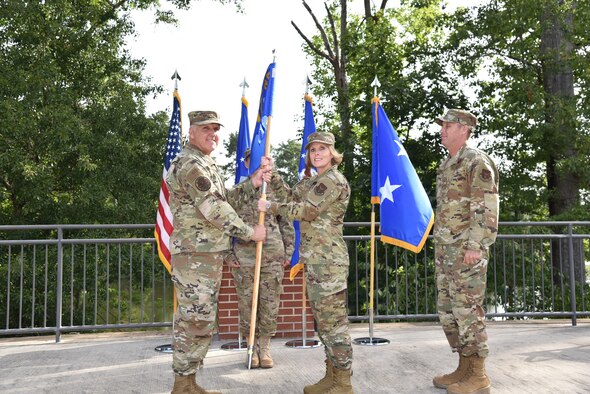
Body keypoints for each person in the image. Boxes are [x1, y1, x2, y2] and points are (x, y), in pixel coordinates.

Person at [166, 110, 269, 394]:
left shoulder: (205, 162)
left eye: (216, 129)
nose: (213, 134)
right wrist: (250, 232)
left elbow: (223, 198)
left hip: (207, 255)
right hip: (195, 256)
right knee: (194, 318)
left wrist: (253, 183)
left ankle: (188, 383)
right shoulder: (190, 164)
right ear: (191, 132)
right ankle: (182, 384)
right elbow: (214, 208)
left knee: (201, 318)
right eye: (206, 129)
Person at [258, 131, 353, 394]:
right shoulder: (313, 182)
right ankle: (332, 375)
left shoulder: (332, 181)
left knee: (334, 325)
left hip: (329, 263)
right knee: (323, 324)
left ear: (332, 153)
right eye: (313, 150)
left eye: (322, 149)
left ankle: (343, 382)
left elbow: (307, 210)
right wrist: (273, 175)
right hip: (317, 262)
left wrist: (271, 207)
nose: (317, 153)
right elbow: (291, 197)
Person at [432, 109, 499, 394]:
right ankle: (463, 366)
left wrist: (475, 246)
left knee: (468, 311)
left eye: (447, 125)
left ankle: (478, 374)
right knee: (449, 311)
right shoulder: (448, 164)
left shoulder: (476, 161)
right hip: (446, 251)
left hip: (466, 251)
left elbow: (486, 207)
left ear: (464, 129)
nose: (442, 130)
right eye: (443, 126)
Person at [227, 148, 295, 369]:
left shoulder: (275, 188)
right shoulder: (239, 191)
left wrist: (288, 251)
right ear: (247, 164)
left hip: (272, 255)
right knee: (247, 304)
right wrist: (228, 254)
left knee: (269, 303)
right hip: (245, 256)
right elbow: (224, 223)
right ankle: (250, 347)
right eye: (252, 161)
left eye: (261, 161)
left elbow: (287, 219)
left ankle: (264, 348)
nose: (257, 165)